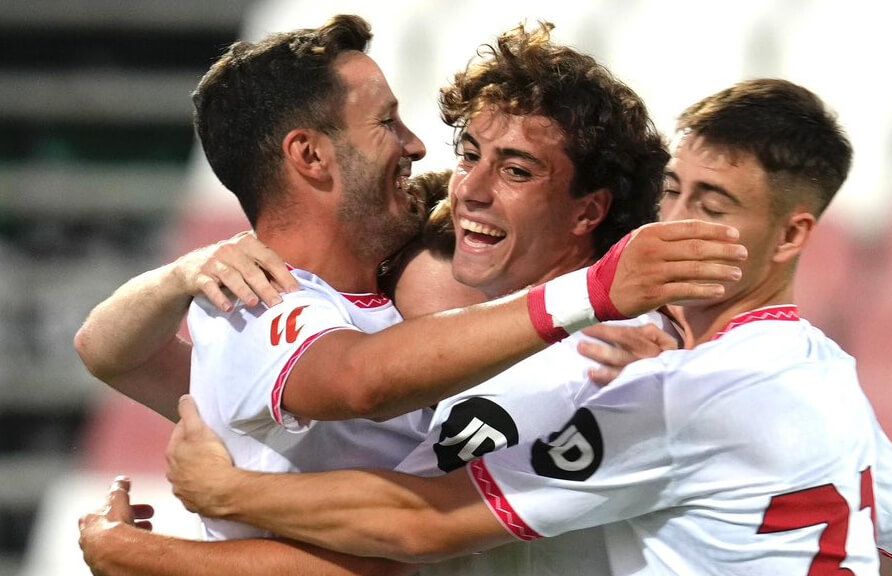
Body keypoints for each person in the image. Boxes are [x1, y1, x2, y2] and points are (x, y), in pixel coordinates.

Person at [153, 79, 892, 575]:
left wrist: (225, 493)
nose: (674, 222)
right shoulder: (825, 373)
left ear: (791, 235)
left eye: (712, 207)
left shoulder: (670, 389)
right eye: (674, 190)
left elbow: (417, 526)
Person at [75, 18, 744, 575]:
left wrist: (169, 533)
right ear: (310, 156)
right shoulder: (263, 301)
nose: (456, 178)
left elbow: (406, 531)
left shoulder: (603, 361)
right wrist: (187, 270)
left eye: (515, 170)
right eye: (466, 153)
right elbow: (108, 352)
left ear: (587, 211)